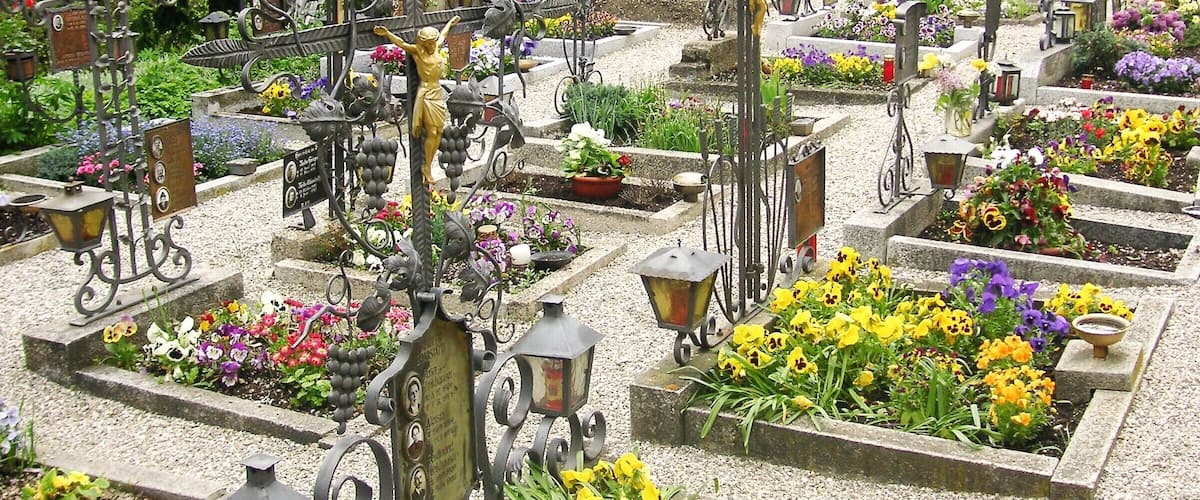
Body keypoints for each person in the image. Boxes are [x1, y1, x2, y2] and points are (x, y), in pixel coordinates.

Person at [373, 17, 461, 186]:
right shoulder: (418, 52)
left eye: (434, 42)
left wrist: (450, 22)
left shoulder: (437, 46)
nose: (433, 45)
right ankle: (426, 167)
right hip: (426, 93)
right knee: (432, 132)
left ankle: (428, 163)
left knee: (440, 131)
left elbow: (444, 33)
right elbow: (401, 44)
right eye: (429, 43)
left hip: (437, 92)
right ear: (424, 43)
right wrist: (387, 34)